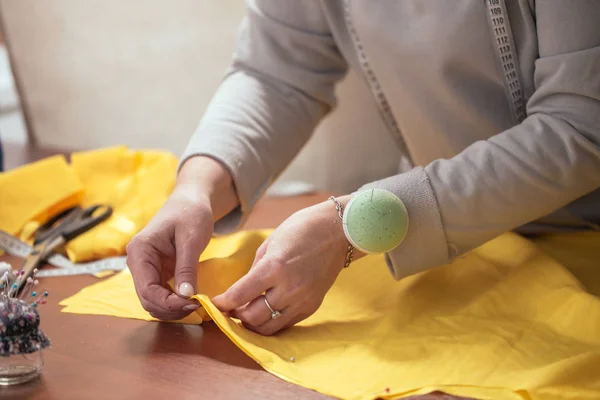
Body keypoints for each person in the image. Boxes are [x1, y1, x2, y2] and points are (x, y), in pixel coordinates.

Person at [126, 1, 600, 336]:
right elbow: (276, 72)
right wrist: (197, 189)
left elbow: (581, 126)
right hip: (447, 255)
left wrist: (348, 228)